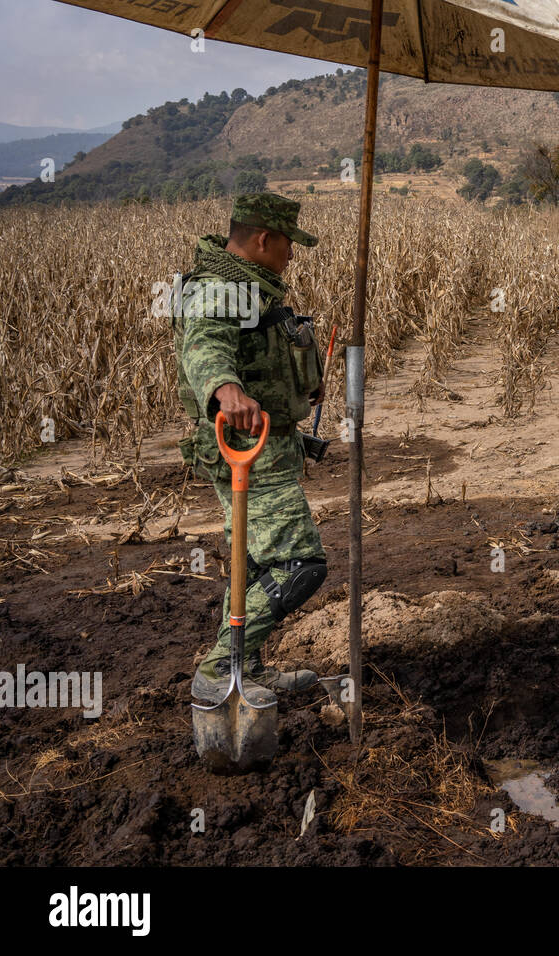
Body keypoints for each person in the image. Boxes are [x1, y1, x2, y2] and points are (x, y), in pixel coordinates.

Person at [172, 193, 328, 704]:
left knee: (256, 565)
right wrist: (225, 388)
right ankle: (222, 667)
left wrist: (297, 386)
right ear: (265, 238)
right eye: (288, 243)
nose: (292, 254)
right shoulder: (218, 287)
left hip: (267, 445)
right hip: (243, 450)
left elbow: (257, 350)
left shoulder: (251, 288)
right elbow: (204, 344)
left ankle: (246, 664)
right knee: (299, 564)